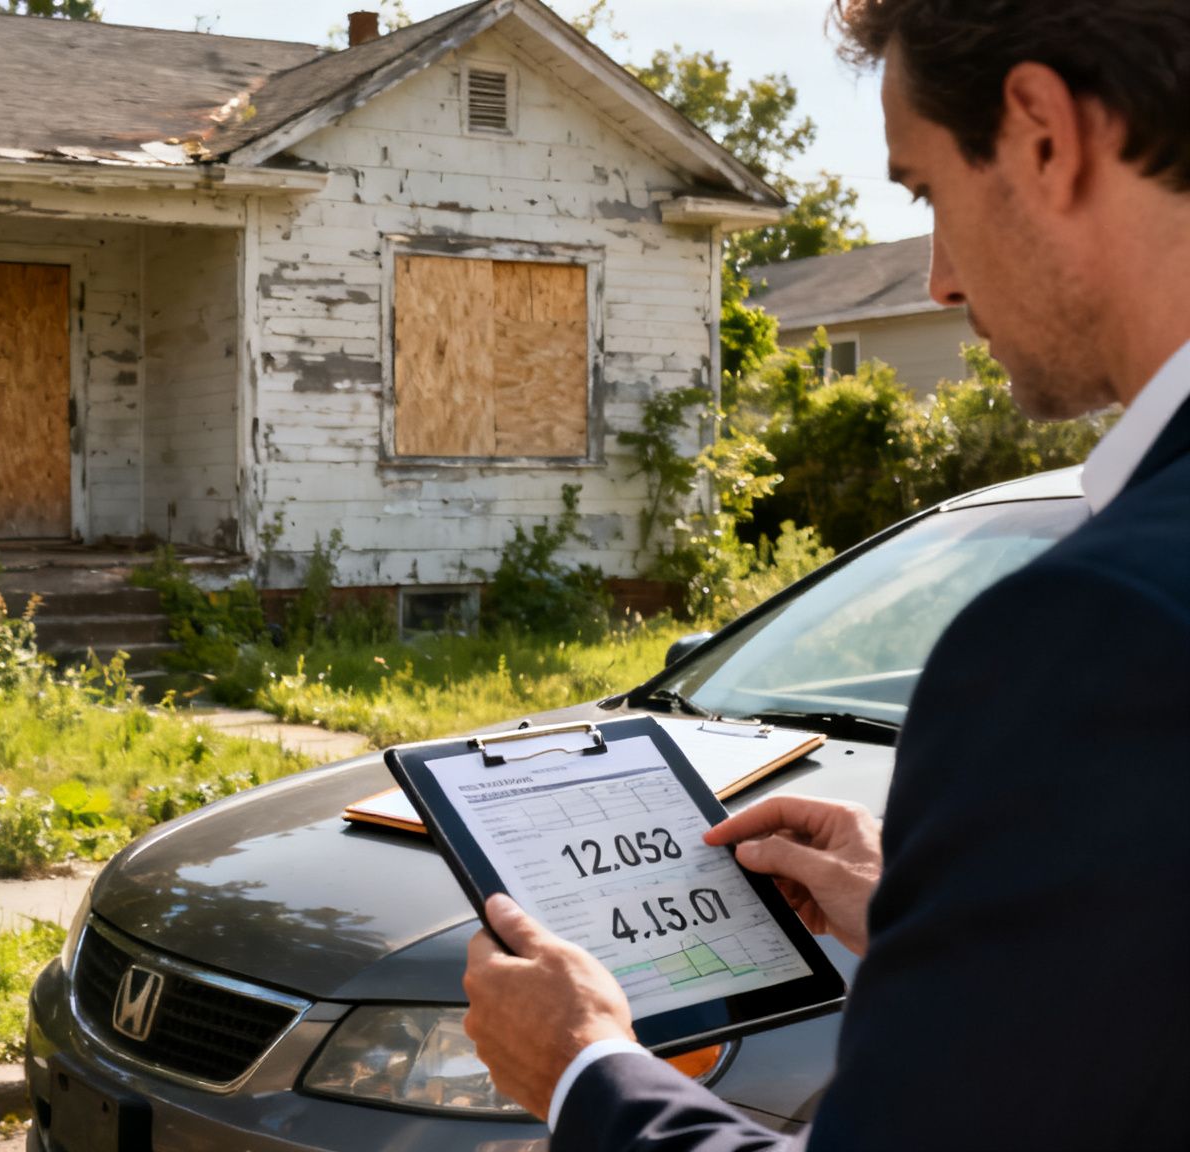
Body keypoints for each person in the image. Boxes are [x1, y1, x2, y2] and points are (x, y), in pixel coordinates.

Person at [460, 1, 1190, 1149]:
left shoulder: (1093, 626)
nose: (940, 279)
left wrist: (582, 1072)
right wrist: (943, 913)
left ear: (1042, 133)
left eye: (924, 192)